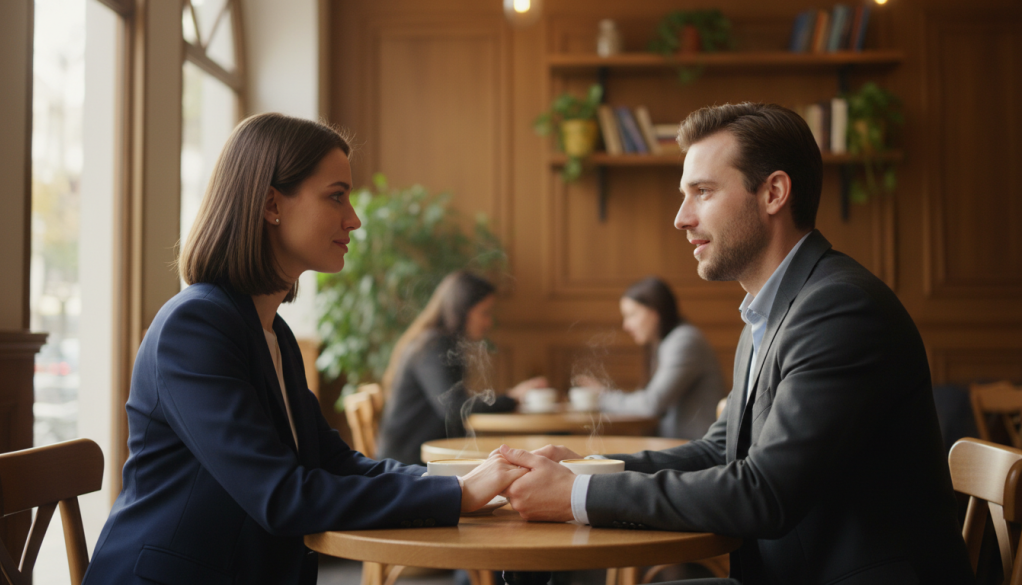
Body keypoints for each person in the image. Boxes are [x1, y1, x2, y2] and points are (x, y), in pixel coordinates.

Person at [498, 103, 973, 584]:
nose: (682, 218)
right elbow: (718, 453)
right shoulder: (769, 311)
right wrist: (589, 470)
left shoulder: (840, 310)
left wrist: (579, 497)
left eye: (701, 192)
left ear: (773, 193)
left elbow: (765, 493)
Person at [81, 113, 526, 585]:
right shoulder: (194, 327)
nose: (353, 218)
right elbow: (281, 496)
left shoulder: (273, 333)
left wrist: (460, 479)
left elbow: (334, 463)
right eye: (337, 196)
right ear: (272, 203)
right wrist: (459, 494)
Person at [377, 271, 548, 465]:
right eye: (484, 313)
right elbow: (454, 408)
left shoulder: (437, 342)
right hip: (408, 465)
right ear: (461, 311)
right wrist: (512, 397)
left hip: (423, 458)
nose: (488, 322)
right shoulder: (434, 346)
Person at [577, 276, 725, 439]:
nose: (626, 325)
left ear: (655, 312)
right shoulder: (665, 343)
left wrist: (601, 397)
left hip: (698, 452)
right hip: (681, 447)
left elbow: (651, 404)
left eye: (631, 315)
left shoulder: (684, 341)